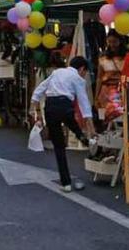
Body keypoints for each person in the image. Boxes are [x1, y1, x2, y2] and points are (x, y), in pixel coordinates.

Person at [30, 56, 96, 193]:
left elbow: (38, 92)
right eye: (85, 72)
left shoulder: (57, 72)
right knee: (72, 124)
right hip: (65, 106)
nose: (84, 75)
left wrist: (38, 113)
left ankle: (66, 183)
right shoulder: (78, 79)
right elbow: (84, 103)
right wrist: (91, 127)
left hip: (50, 107)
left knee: (59, 147)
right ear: (82, 69)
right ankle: (85, 139)